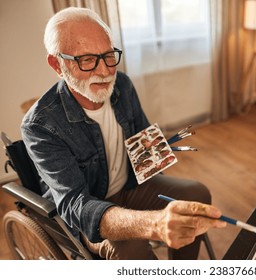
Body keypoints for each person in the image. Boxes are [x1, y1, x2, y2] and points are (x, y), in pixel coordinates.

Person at [21, 7, 226, 260]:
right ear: (57, 64)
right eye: (86, 60)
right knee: (131, 247)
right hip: (90, 210)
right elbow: (77, 205)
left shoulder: (123, 86)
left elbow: (145, 147)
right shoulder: (39, 126)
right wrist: (153, 222)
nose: (105, 71)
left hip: (129, 186)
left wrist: (155, 151)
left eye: (108, 56)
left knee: (197, 195)